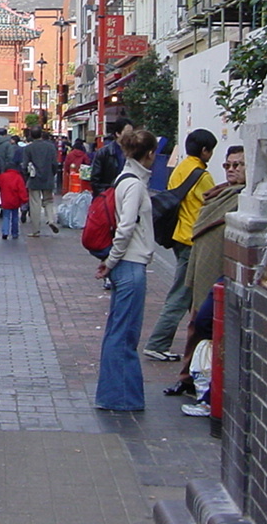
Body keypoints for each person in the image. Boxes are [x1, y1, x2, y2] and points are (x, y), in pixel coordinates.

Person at [169, 146, 246, 403]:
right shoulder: (218, 192)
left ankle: (203, 381)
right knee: (195, 321)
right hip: (200, 260)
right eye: (228, 165)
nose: (232, 169)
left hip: (221, 269)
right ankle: (189, 377)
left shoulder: (244, 198)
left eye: (238, 165)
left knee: (207, 324)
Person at [94, 128, 159, 411]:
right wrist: (112, 260)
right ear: (150, 154)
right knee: (124, 333)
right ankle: (120, 397)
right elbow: (126, 226)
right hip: (130, 264)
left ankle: (116, 394)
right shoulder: (133, 184)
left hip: (125, 263)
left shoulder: (125, 179)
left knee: (118, 330)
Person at [143, 128, 217, 362]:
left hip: (178, 235)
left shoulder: (180, 168)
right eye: (211, 150)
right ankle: (158, 342)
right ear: (204, 150)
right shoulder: (202, 176)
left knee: (192, 294)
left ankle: (197, 344)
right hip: (192, 239)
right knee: (181, 294)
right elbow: (212, 204)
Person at [22, 126, 60, 235]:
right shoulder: (51, 147)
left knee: (35, 203)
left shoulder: (28, 148)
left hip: (34, 179)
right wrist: (52, 174)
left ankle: (35, 230)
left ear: (30, 135)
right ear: (41, 134)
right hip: (48, 177)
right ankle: (51, 220)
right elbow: (54, 163)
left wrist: (26, 175)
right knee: (48, 200)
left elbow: (24, 165)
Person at [90, 118, 134, 194]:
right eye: (128, 133)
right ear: (118, 133)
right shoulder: (104, 152)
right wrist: (109, 195)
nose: (130, 136)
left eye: (132, 133)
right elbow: (95, 181)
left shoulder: (134, 152)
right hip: (109, 197)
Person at [0, 162, 28, 240]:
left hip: (5, 200)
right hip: (15, 201)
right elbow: (22, 190)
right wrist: (24, 199)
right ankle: (14, 233)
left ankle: (5, 232)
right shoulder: (18, 177)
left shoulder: (3, 176)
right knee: (15, 217)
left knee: (6, 217)